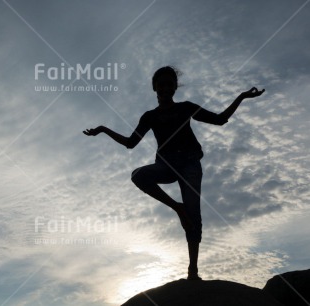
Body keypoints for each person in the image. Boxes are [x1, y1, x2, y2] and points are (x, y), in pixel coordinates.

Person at [83, 66, 265, 280]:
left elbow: (220, 119)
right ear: (155, 88)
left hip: (190, 165)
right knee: (138, 175)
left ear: (175, 87)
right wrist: (104, 129)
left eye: (170, 84)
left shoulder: (186, 108)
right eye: (162, 84)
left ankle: (193, 271)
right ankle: (177, 208)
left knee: (194, 215)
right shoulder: (149, 116)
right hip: (166, 165)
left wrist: (242, 97)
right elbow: (131, 143)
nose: (166, 87)